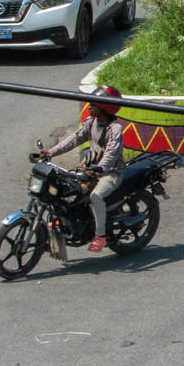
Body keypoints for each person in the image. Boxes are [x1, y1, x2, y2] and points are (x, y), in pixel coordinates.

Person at [38, 87, 127, 252]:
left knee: (96, 195)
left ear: (105, 108)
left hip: (111, 172)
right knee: (64, 186)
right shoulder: (92, 122)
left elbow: (111, 154)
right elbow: (74, 139)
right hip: (90, 168)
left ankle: (100, 236)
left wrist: (100, 168)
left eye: (93, 105)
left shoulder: (115, 129)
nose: (89, 107)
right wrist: (51, 152)